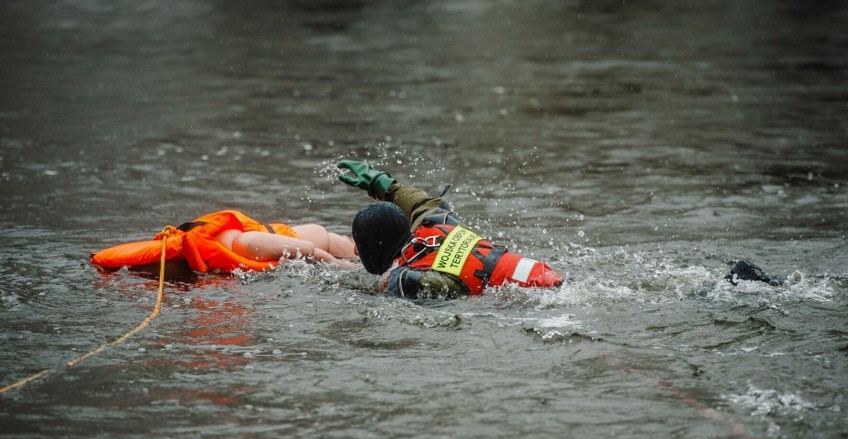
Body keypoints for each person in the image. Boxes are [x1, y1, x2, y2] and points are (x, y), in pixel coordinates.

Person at [336, 160, 564, 298]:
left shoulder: (404, 279)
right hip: (550, 278)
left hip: (535, 302)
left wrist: (382, 289)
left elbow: (444, 294)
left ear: (375, 246)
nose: (356, 251)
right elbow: (420, 204)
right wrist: (382, 183)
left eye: (359, 243)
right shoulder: (438, 224)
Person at [91, 209, 357, 273]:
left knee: (339, 246)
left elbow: (307, 250)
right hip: (282, 239)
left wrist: (345, 269)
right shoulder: (200, 254)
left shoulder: (245, 244)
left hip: (311, 239)